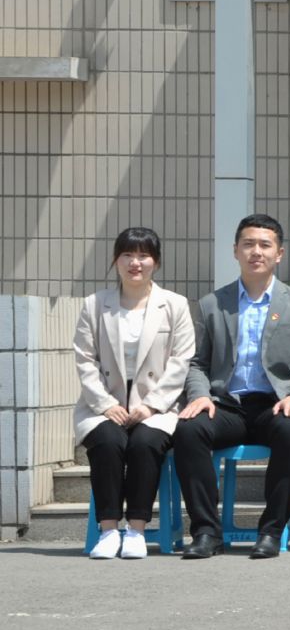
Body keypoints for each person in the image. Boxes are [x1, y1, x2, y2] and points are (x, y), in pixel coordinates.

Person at [173, 214, 290, 559]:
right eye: (248, 244)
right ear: (235, 251)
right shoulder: (212, 304)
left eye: (265, 245)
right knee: (189, 430)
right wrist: (200, 396)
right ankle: (206, 532)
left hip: (276, 403)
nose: (256, 251)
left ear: (279, 254)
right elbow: (197, 363)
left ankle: (271, 531)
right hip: (227, 405)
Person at [73, 227, 193, 559]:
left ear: (156, 262)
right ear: (116, 260)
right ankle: (109, 530)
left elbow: (181, 360)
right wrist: (104, 404)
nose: (135, 263)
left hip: (156, 407)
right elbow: (85, 360)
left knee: (144, 444)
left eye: (143, 256)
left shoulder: (175, 305)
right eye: (127, 255)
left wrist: (152, 405)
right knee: (107, 442)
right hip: (103, 404)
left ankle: (136, 530)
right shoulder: (95, 304)